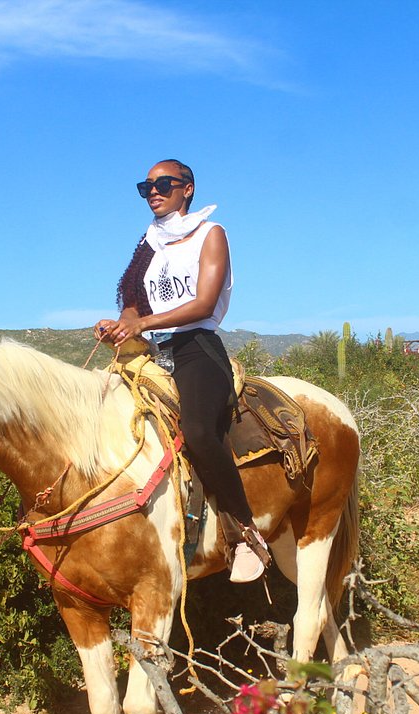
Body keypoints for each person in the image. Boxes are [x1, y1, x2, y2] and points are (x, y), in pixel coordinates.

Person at [95, 159, 271, 583]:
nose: (153, 191)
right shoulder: (148, 242)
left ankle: (246, 530)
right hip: (156, 349)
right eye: (146, 186)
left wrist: (142, 324)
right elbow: (135, 297)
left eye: (163, 184)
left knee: (196, 429)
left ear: (186, 189)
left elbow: (205, 303)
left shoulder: (211, 233)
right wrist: (124, 322)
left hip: (196, 348)